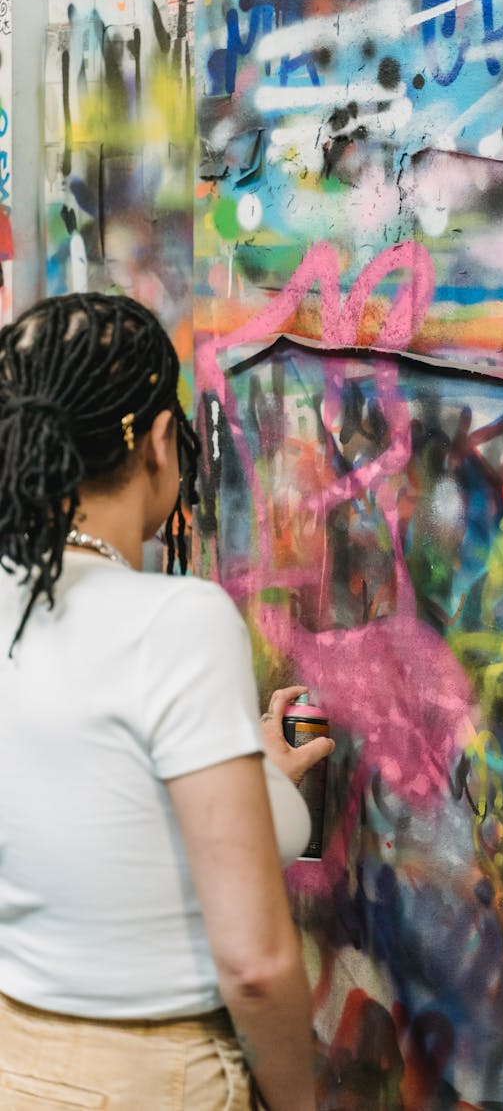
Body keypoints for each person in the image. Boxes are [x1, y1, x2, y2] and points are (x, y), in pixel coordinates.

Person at [0, 293, 334, 1110]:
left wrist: (252, 769)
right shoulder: (175, 622)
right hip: (153, 1078)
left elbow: (103, 817)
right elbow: (254, 965)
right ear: (158, 442)